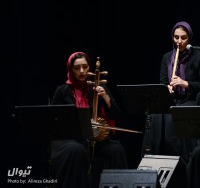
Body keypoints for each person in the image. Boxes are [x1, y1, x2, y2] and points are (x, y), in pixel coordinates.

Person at [50, 51, 128, 188]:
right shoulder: (62, 91)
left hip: (96, 139)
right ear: (70, 69)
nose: (82, 71)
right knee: (76, 150)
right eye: (77, 68)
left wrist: (105, 97)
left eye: (85, 67)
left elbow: (116, 115)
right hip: (70, 139)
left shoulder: (98, 87)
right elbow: (56, 122)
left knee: (116, 149)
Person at [141, 21, 200, 164]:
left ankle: (185, 161)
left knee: (181, 113)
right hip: (172, 99)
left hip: (190, 99)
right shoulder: (167, 57)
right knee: (156, 115)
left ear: (189, 38)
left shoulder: (197, 56)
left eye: (183, 38)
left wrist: (184, 83)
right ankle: (157, 160)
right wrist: (166, 88)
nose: (179, 41)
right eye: (176, 37)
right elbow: (162, 83)